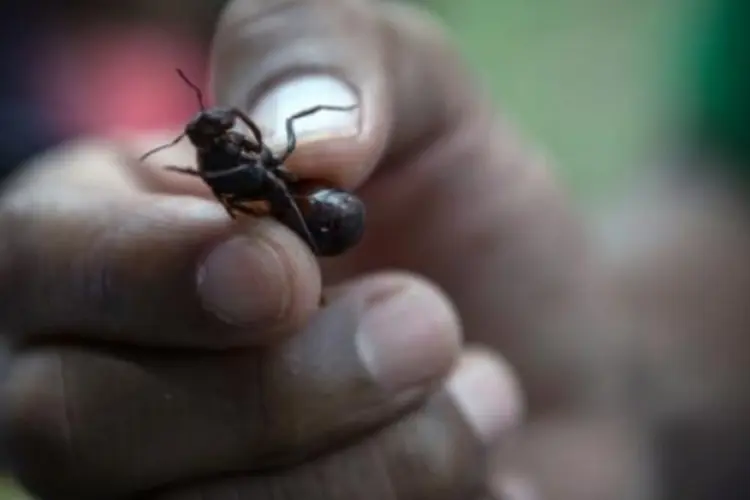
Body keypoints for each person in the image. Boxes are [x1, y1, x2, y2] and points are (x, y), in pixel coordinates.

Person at [0, 0, 626, 498]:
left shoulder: (242, 154)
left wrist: (580, 434)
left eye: (212, 123)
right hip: (307, 226)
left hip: (325, 216)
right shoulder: (224, 167)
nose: (210, 126)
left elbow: (257, 169)